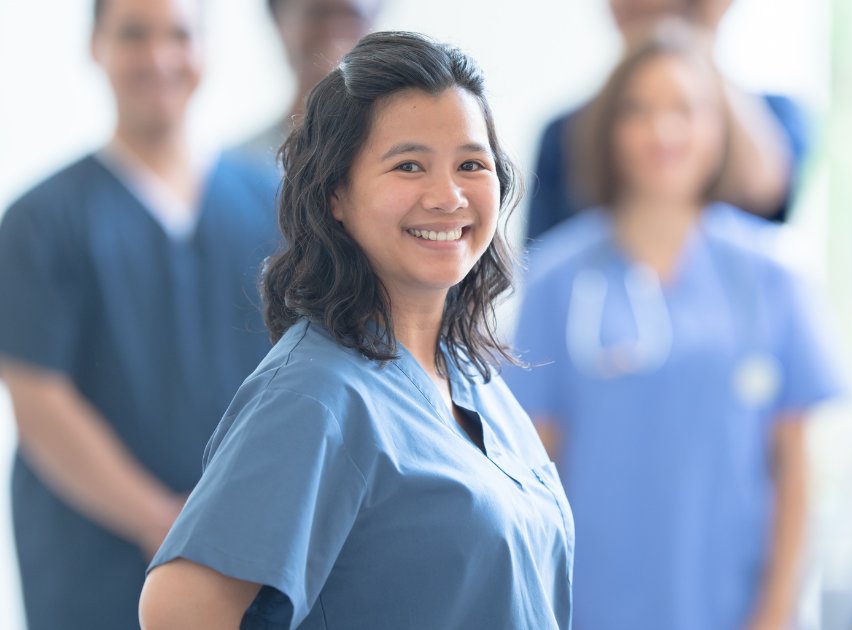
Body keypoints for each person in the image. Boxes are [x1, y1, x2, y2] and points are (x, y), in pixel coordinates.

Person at [139, 31, 574, 629]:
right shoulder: (315, 397)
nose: (448, 196)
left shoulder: (473, 382)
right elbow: (178, 613)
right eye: (409, 165)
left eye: (471, 164)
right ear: (336, 193)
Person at [506, 21, 839, 630]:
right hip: (589, 605)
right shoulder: (555, 280)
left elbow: (795, 473)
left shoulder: (771, 276)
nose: (663, 131)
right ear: (609, 130)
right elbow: (529, 476)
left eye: (685, 109)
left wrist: (774, 613)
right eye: (638, 110)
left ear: (720, 127)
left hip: (733, 605)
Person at [0, 0, 279, 627]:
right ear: (96, 46)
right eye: (133, 35)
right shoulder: (40, 221)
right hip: (94, 560)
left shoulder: (273, 204)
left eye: (179, 35)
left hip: (249, 552)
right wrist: (164, 521)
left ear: (205, 50)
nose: (158, 57)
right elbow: (40, 404)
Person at [525, 0, 809, 241]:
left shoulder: (777, 113)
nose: (662, 133)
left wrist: (700, 35)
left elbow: (765, 191)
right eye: (634, 110)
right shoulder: (563, 134)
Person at [236, 0, 384, 167]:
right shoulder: (234, 169)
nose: (334, 31)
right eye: (318, 14)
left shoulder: (398, 153)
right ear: (278, 19)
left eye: (352, 17)